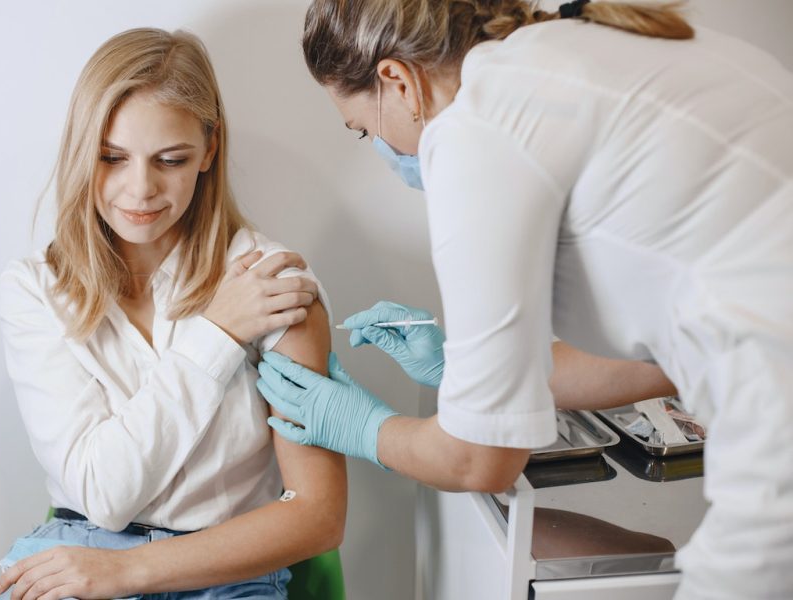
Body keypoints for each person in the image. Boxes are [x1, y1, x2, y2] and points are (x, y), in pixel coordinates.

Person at [257, 1, 793, 598]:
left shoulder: (477, 127)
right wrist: (462, 368)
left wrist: (365, 428)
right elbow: (667, 354)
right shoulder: (601, 49)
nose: (378, 147)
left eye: (362, 128)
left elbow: (480, 461)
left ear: (397, 81)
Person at [0, 28, 346, 600]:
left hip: (229, 572)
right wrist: (217, 335)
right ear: (84, 150)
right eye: (112, 158)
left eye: (170, 160)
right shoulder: (35, 288)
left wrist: (127, 572)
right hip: (82, 550)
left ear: (209, 149)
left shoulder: (272, 283)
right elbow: (103, 496)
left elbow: (317, 516)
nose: (140, 190)